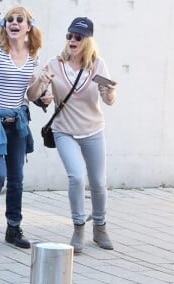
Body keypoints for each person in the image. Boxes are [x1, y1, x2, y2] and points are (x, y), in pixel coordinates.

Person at [36, 16, 117, 254]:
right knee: (76, 177)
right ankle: (79, 226)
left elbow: (108, 101)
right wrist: (43, 93)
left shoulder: (97, 65)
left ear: (87, 40)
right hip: (64, 131)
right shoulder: (54, 63)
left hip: (93, 130)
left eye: (78, 37)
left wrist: (110, 91)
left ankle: (100, 227)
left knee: (99, 183)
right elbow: (40, 94)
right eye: (69, 35)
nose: (72, 40)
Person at [0, 5, 43, 251]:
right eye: (9, 20)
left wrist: (42, 85)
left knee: (17, 179)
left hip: (17, 123)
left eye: (19, 19)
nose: (14, 23)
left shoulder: (32, 54)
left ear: (28, 26)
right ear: (4, 25)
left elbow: (32, 94)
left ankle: (13, 228)